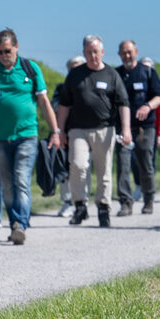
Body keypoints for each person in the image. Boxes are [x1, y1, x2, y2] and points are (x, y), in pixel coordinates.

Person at [0, 29, 61, 244]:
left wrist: (55, 131)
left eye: (7, 51)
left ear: (16, 47)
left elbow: (45, 103)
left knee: (21, 179)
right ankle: (15, 225)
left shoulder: (30, 69)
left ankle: (21, 224)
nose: (3, 56)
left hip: (26, 135)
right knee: (7, 185)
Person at [57, 34, 131, 227]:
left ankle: (104, 208)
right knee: (78, 166)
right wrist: (59, 131)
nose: (93, 56)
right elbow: (64, 104)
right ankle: (80, 206)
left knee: (103, 170)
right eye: (89, 52)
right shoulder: (75, 75)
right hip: (78, 129)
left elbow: (123, 103)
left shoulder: (111, 74)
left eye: (96, 52)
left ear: (102, 52)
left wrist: (126, 129)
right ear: (84, 53)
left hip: (104, 129)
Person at [114, 40, 160, 215]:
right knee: (123, 164)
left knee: (145, 163)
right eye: (124, 53)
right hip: (123, 129)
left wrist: (148, 106)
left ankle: (148, 199)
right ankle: (125, 202)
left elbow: (159, 98)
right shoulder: (116, 74)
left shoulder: (147, 72)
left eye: (130, 52)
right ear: (119, 54)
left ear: (136, 52)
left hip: (145, 128)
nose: (127, 56)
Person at [52, 56, 88, 217]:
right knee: (64, 170)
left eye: (79, 67)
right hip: (65, 134)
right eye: (72, 67)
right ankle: (67, 201)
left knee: (82, 168)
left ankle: (82, 201)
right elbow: (54, 107)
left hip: (86, 134)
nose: (76, 70)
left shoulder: (89, 86)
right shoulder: (62, 88)